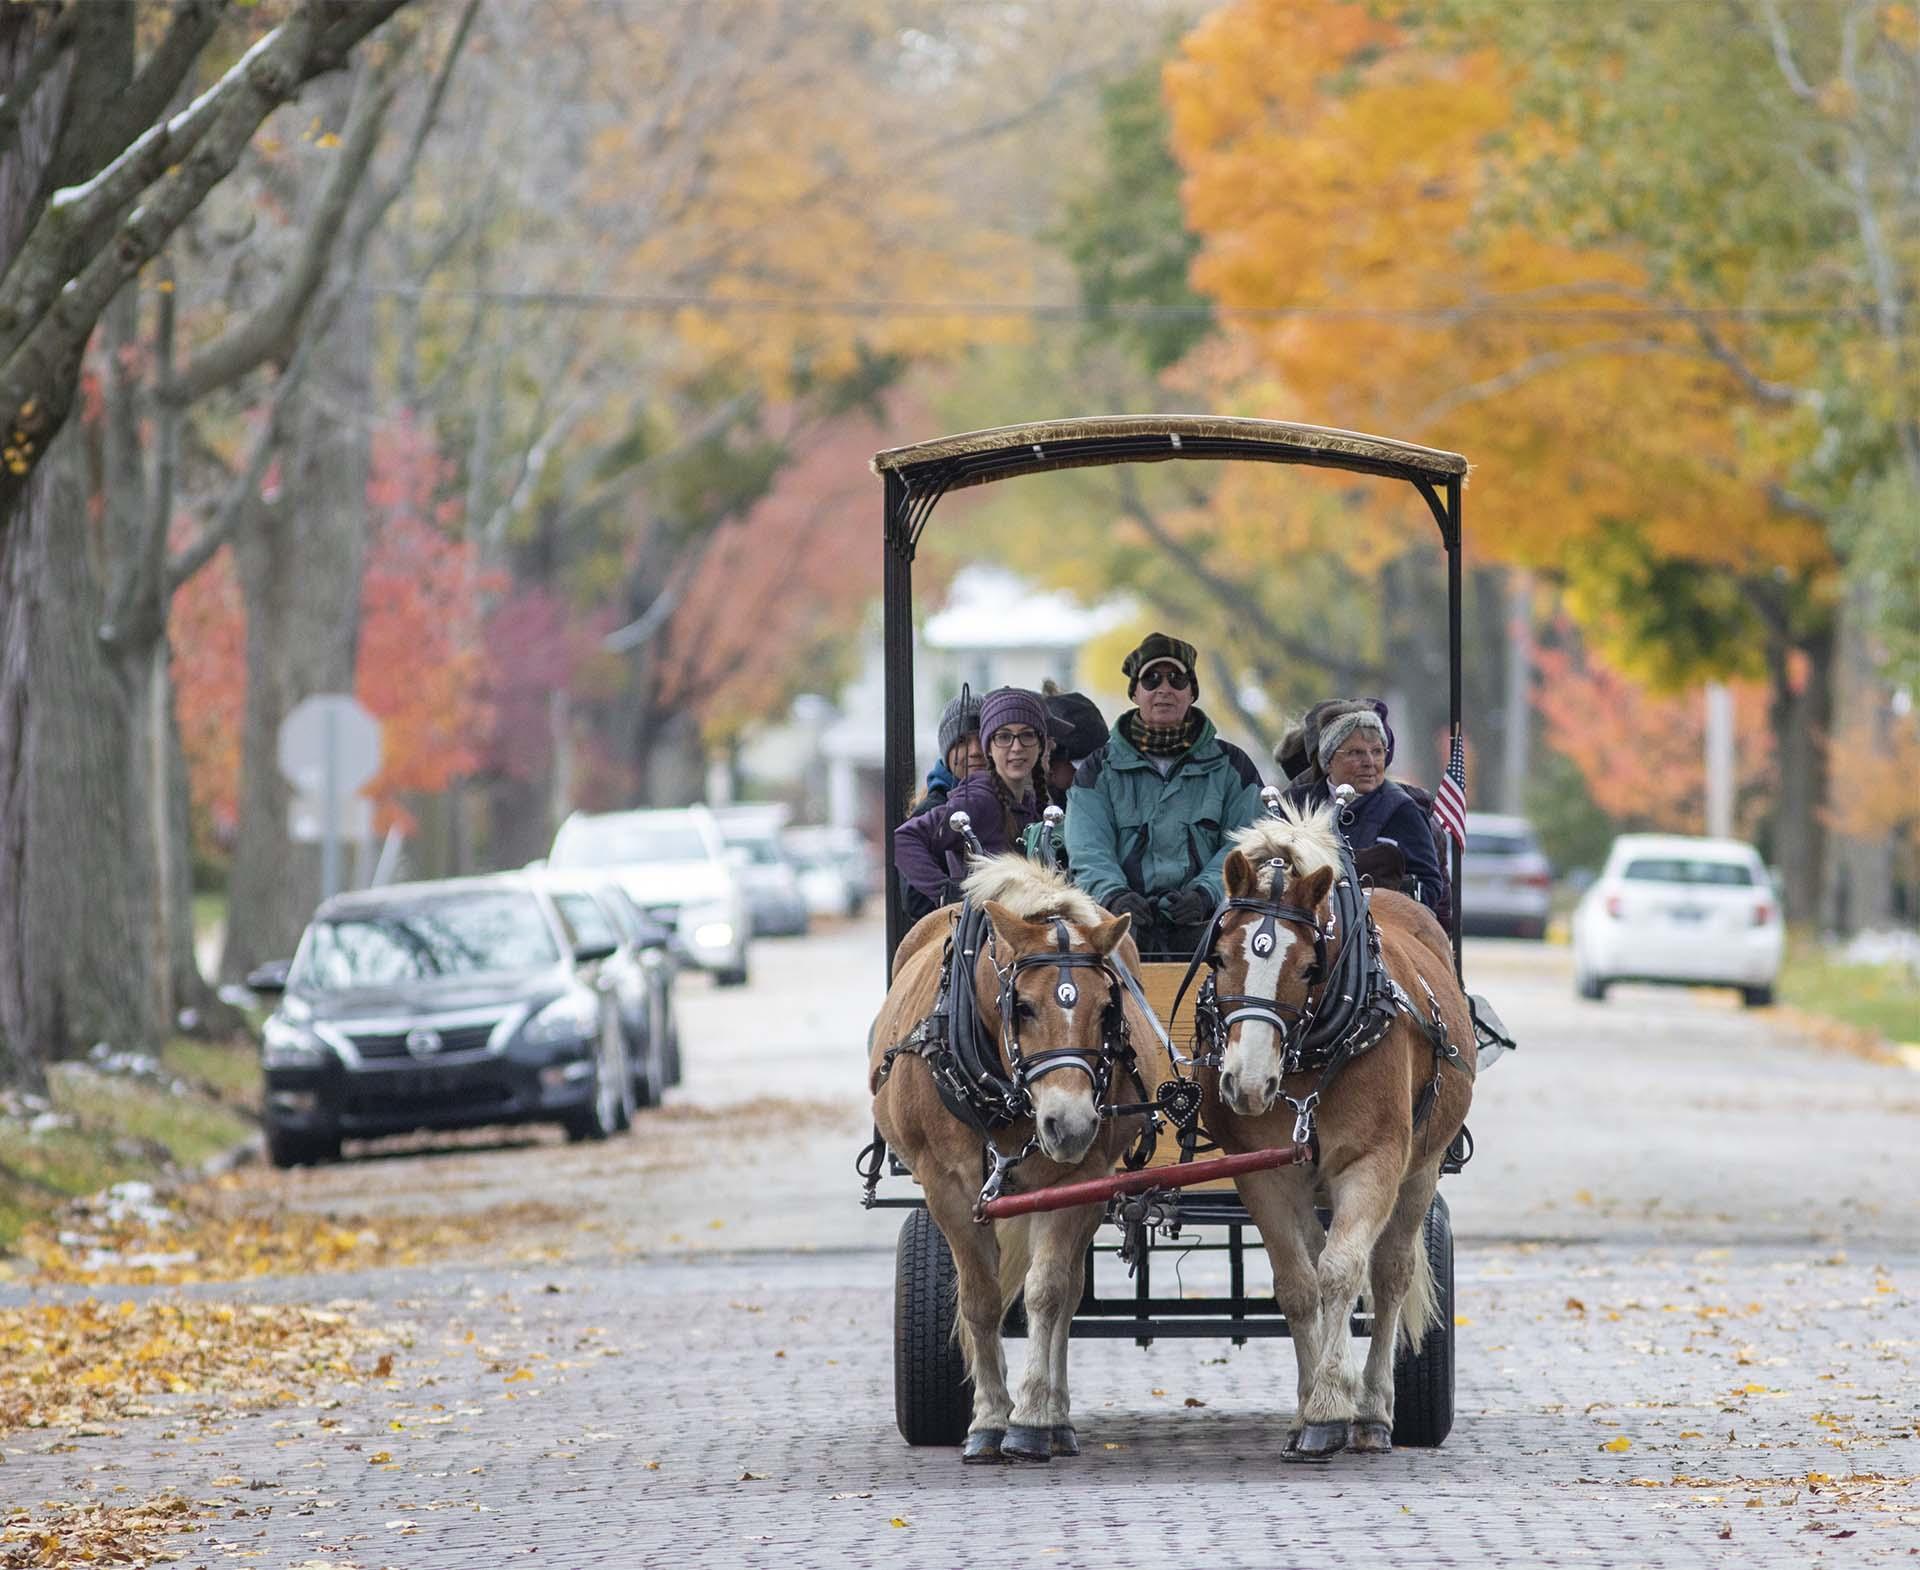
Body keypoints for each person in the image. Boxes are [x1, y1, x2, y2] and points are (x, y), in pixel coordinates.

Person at [1064, 632, 1265, 959]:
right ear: (1135, 693)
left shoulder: (1233, 766)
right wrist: (1115, 897)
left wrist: (1206, 894)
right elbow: (1088, 850)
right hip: (1120, 928)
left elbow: (1248, 842)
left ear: (1192, 692)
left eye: (1177, 679)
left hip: (1213, 924)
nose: (1164, 690)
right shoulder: (1097, 770)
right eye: (1152, 679)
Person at [1278, 698, 1450, 924]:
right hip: (1302, 927)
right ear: (1328, 760)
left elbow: (1430, 884)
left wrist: (1386, 906)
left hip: (1377, 935)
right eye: (1355, 753)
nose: (1369, 762)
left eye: (1377, 752)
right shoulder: (1295, 803)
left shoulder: (1403, 809)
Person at [895, 687, 1052, 915]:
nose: (975, 751)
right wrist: (951, 895)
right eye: (961, 742)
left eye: (1026, 736)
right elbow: (915, 899)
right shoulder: (973, 800)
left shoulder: (1030, 802)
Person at [907, 685, 984, 817]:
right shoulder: (930, 816)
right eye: (961, 741)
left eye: (982, 739)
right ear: (946, 754)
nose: (975, 751)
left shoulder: (1018, 802)